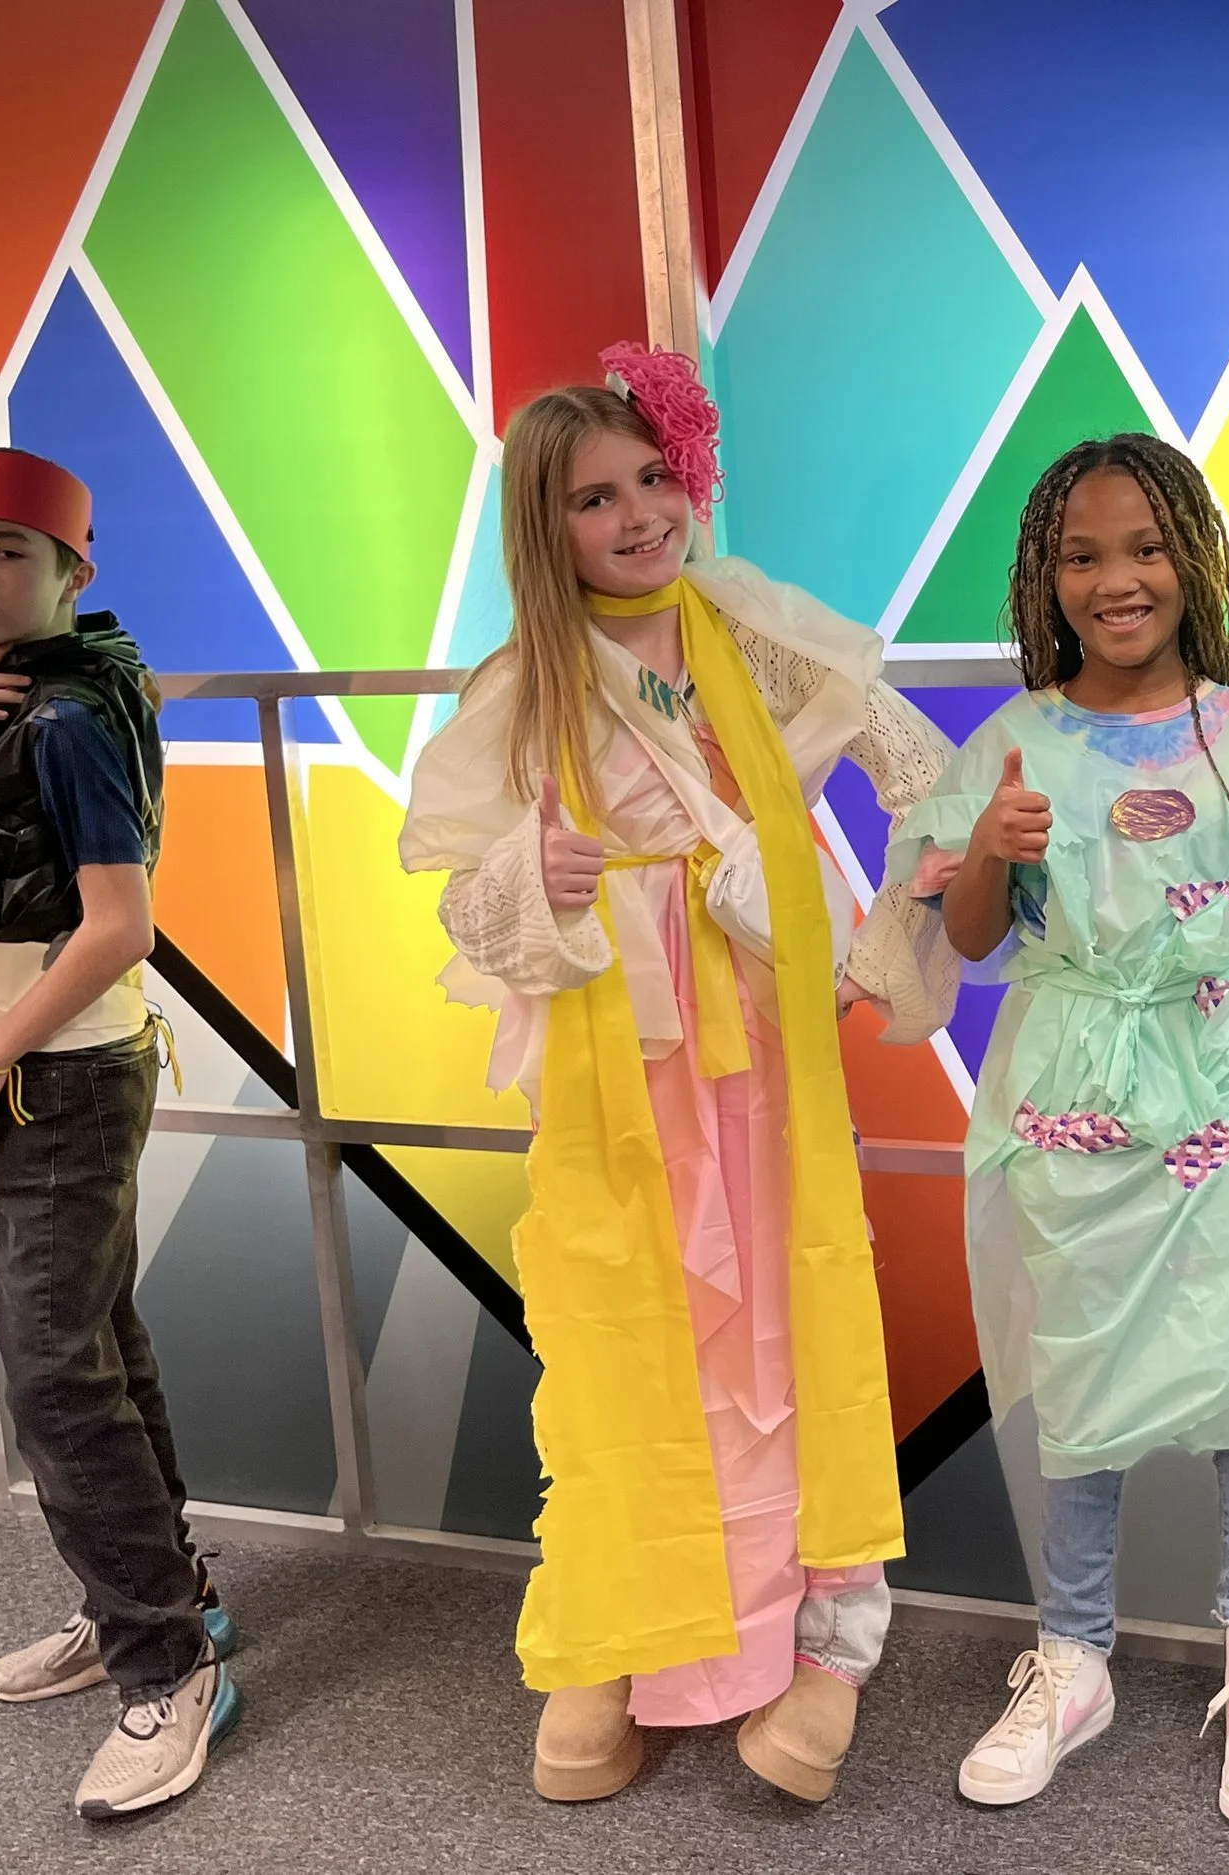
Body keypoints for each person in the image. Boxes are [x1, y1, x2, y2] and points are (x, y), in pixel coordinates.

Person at [399, 344, 958, 1806]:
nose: (642, 512)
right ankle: (620, 1637)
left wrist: (899, 915)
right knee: (625, 1339)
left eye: (654, 476)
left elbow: (914, 766)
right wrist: (539, 872)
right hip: (621, 1067)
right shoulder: (517, 690)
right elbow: (463, 903)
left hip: (764, 1055)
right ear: (546, 525)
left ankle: (827, 1635)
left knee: (785, 1322)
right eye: (596, 497)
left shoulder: (754, 631)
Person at [886, 433, 1229, 1827]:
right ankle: (1073, 1652)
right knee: (1077, 1377)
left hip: (1224, 1089)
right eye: (1084, 555)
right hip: (1068, 1097)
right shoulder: (1015, 740)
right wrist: (992, 851)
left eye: (1145, 547)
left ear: (1193, 558)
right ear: (1048, 576)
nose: (1118, 580)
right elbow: (970, 945)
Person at [0, 447, 241, 1817]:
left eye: (6, 553)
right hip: (39, 1071)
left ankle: (167, 1663)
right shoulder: (8, 695)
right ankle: (161, 1598)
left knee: (50, 1374)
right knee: (96, 1341)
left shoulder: (74, 717)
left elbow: (121, 927)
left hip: (65, 1077)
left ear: (71, 569)